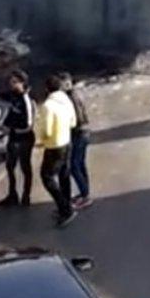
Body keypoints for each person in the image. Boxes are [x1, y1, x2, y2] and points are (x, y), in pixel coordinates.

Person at [35, 74, 78, 227]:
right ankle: (67, 203)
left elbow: (46, 130)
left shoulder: (48, 106)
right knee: (64, 175)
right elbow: (73, 122)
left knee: (46, 177)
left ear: (47, 89)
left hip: (54, 146)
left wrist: (41, 141)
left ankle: (65, 209)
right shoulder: (66, 99)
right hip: (67, 142)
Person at [0, 69, 35, 207]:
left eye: (15, 82)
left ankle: (26, 196)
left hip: (24, 138)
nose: (11, 85)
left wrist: (10, 128)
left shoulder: (26, 100)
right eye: (11, 82)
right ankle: (12, 195)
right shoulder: (12, 95)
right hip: (13, 137)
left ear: (22, 83)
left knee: (25, 168)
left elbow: (28, 125)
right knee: (10, 166)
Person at [59, 71, 92, 209]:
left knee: (73, 166)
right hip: (84, 133)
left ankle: (85, 196)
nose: (64, 85)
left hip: (78, 134)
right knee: (80, 164)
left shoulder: (71, 97)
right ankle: (85, 192)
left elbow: (77, 119)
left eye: (65, 83)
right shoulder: (75, 94)